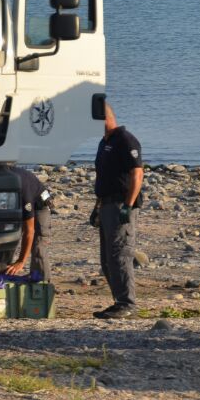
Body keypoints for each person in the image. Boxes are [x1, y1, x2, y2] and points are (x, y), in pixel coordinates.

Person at [91, 101, 144, 319]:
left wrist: (128, 206)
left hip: (121, 204)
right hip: (106, 204)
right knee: (107, 259)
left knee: (120, 254)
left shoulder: (125, 140)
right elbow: (103, 177)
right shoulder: (105, 143)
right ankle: (118, 301)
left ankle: (127, 303)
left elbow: (137, 174)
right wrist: (97, 207)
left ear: (105, 118)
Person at [5, 166, 52, 280]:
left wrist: (21, 261)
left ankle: (42, 282)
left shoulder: (24, 192)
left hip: (40, 205)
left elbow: (29, 231)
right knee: (6, 237)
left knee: (38, 245)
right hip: (16, 202)